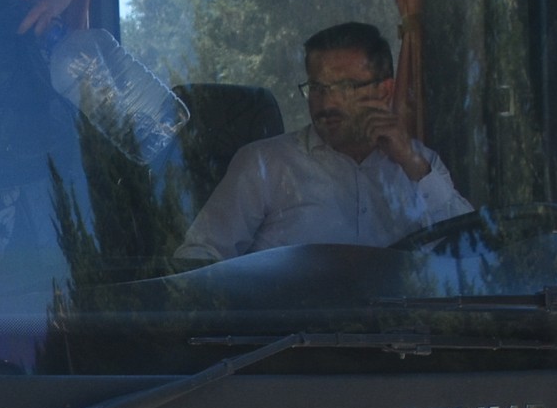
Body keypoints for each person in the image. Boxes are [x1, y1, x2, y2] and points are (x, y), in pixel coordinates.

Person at [181, 20, 474, 262]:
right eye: (318, 87)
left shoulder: (422, 166)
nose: (327, 103)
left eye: (345, 88)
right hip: (284, 331)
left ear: (384, 91)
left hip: (402, 332)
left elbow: (476, 253)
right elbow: (197, 259)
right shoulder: (265, 165)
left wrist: (412, 164)